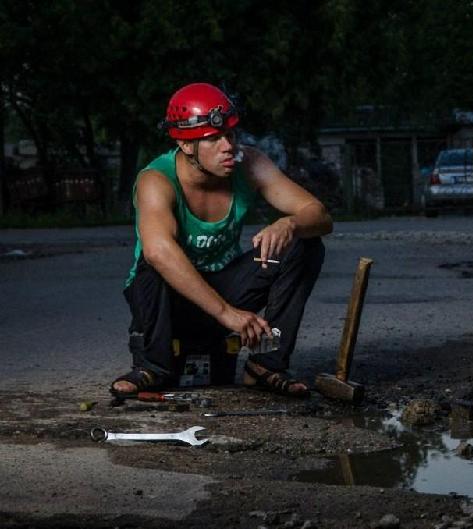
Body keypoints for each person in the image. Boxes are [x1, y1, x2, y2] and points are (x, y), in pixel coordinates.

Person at [110, 82, 332, 399]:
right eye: (213, 139)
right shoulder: (156, 179)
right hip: (169, 305)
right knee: (153, 260)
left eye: (230, 135)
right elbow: (159, 252)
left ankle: (266, 364)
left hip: (226, 290)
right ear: (185, 145)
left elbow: (321, 216)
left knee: (303, 244)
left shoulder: (250, 163)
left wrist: (290, 224)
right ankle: (152, 367)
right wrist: (228, 314)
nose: (227, 146)